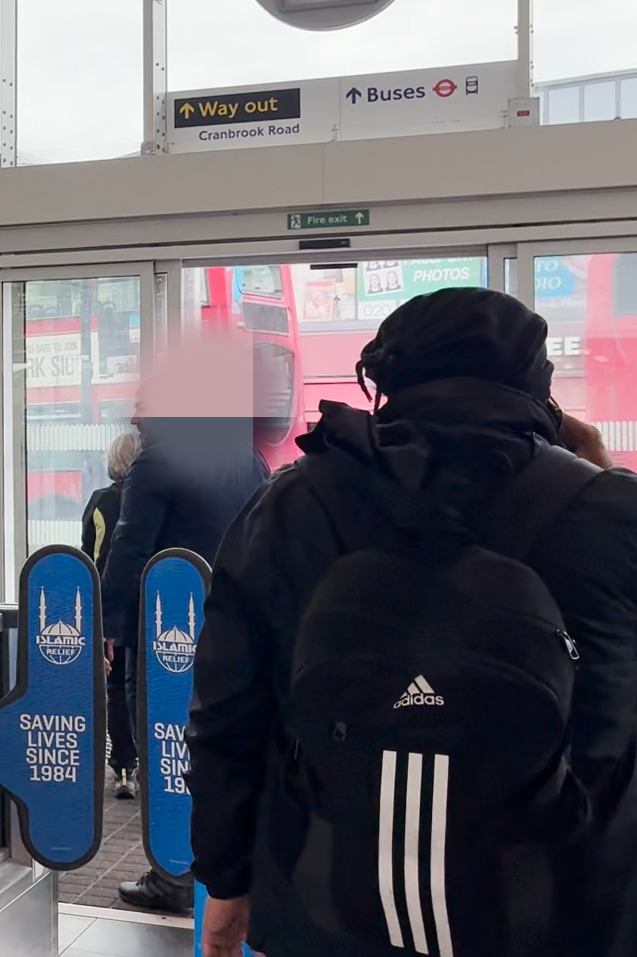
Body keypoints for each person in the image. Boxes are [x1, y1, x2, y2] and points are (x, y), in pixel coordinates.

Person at [190, 289, 637, 957]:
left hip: (327, 905)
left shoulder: (291, 505)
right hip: (566, 914)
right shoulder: (610, 513)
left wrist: (224, 879)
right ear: (539, 387)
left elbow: (228, 711)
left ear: (386, 378)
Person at [102, 370, 269, 915]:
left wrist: (106, 625)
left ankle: (174, 877)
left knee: (164, 747)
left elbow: (129, 550)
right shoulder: (248, 459)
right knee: (225, 753)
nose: (135, 418)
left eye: (144, 407)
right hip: (239, 638)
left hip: (164, 638)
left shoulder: (156, 463)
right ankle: (232, 876)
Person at [81, 431, 141, 801]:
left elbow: (90, 555)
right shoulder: (161, 498)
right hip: (149, 606)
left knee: (116, 688)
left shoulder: (102, 501)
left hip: (112, 609)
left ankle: (123, 769)